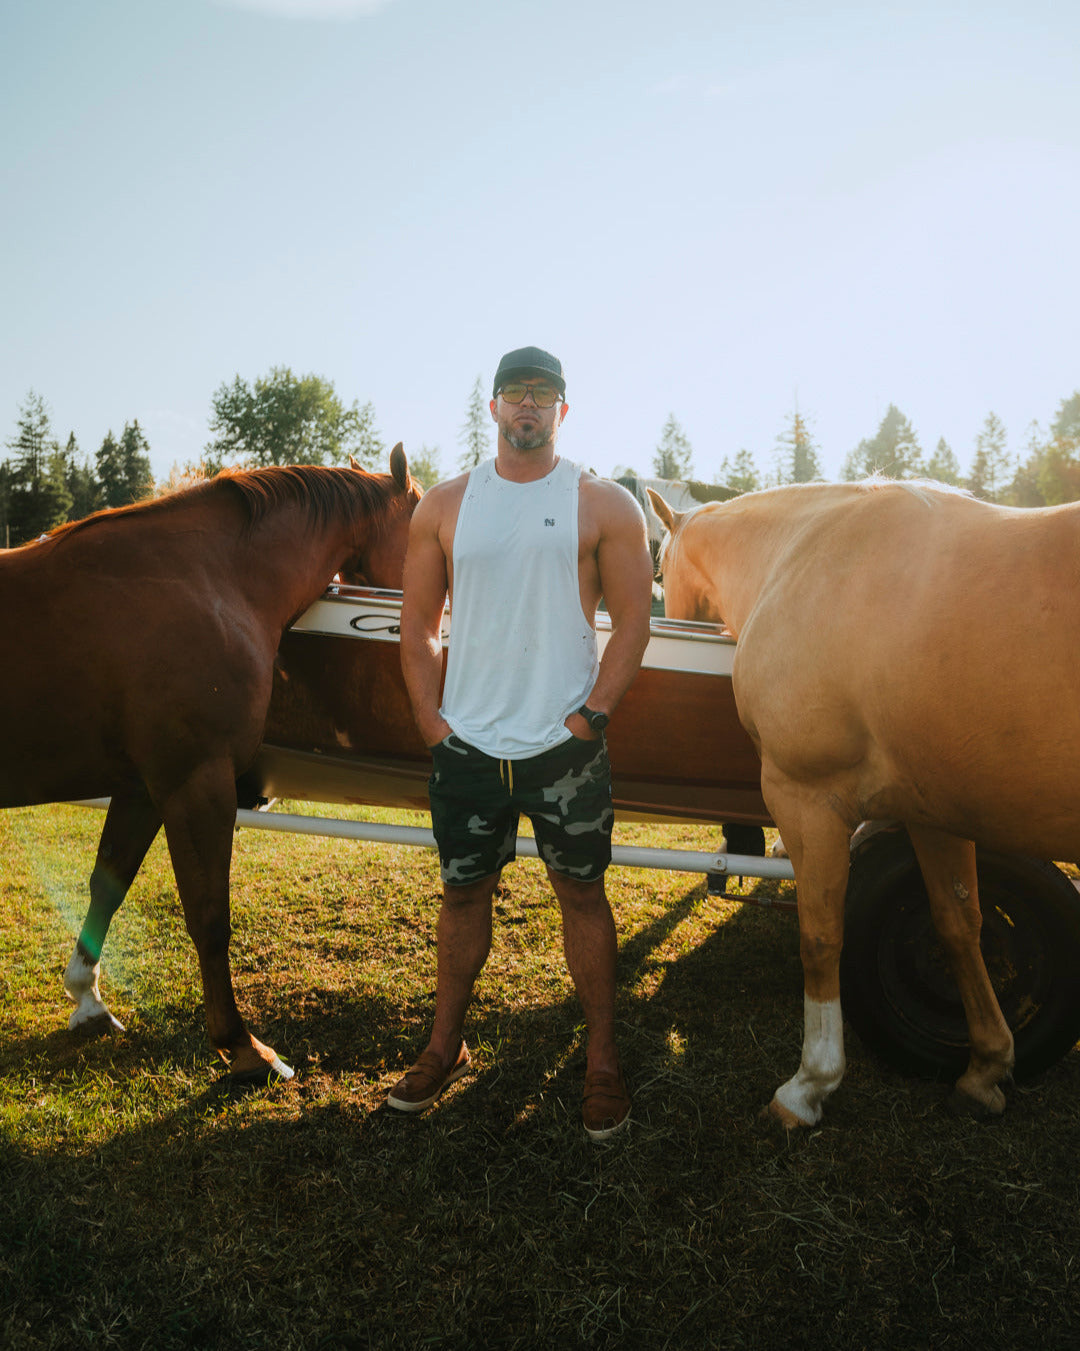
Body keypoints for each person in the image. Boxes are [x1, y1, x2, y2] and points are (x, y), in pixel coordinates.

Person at [389, 345, 653, 1140]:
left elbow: (635, 624)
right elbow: (416, 628)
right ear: (495, 407)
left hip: (563, 750)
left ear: (562, 410)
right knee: (462, 895)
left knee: (583, 896)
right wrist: (434, 723)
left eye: (543, 394)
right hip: (468, 747)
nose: (527, 405)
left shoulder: (603, 505)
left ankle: (602, 1059)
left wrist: (592, 715)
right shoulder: (444, 503)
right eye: (515, 393)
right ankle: (445, 1045)